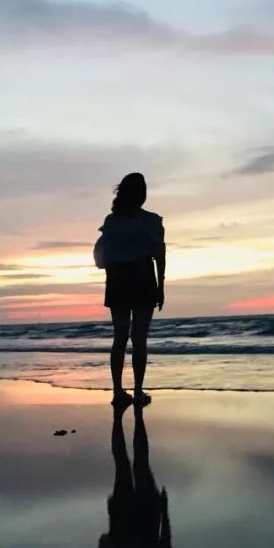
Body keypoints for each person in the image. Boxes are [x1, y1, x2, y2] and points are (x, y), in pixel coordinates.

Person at [98, 401, 171, 548]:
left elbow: (166, 543)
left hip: (144, 512)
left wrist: (164, 509)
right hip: (127, 513)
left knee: (136, 460)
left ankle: (127, 419)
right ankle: (126, 419)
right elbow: (104, 544)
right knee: (126, 462)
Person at [95, 173, 166, 406]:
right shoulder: (152, 221)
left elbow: (102, 256)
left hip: (117, 280)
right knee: (139, 339)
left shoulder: (112, 221)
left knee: (120, 337)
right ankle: (137, 391)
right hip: (143, 277)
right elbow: (159, 256)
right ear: (142, 194)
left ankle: (117, 391)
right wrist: (161, 286)